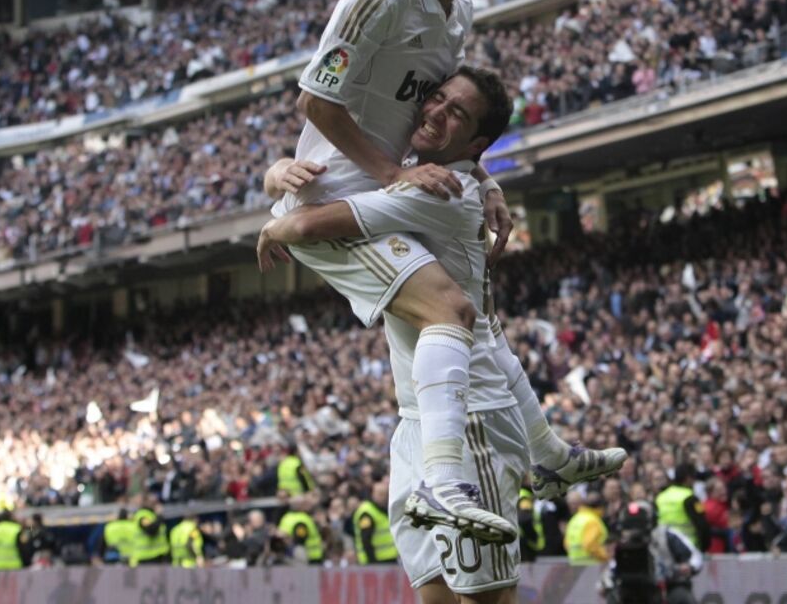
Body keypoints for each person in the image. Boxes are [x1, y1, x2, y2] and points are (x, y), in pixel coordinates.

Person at [269, 0, 622, 544]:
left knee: (474, 317)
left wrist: (485, 180)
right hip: (340, 200)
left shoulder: (458, 17)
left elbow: (438, 119)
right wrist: (388, 175)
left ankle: (542, 456)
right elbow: (315, 100)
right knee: (450, 309)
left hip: (389, 199)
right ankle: (445, 479)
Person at [260, 68, 626, 602]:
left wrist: (273, 223)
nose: (435, 112)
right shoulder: (421, 173)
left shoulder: (442, 191)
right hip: (420, 423)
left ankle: (533, 460)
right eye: (437, 98)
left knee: (485, 599)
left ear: (475, 144)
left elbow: (307, 226)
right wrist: (278, 173)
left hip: (472, 419)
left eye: (457, 113)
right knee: (434, 593)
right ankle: (549, 457)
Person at [654, 464, 709, 551]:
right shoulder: (690, 497)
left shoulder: (661, 497)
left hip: (666, 547)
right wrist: (704, 547)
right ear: (688, 478)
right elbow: (702, 524)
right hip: (689, 547)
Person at [352, 477, 397, 565]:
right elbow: (366, 540)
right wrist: (372, 562)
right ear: (372, 494)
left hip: (388, 558)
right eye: (380, 494)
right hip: (375, 561)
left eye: (385, 494)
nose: (383, 497)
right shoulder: (367, 512)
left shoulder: (383, 509)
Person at [566, 490, 609, 566]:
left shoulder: (575, 518)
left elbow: (566, 543)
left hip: (574, 563)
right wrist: (604, 557)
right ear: (601, 507)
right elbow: (590, 545)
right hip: (590, 565)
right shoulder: (593, 521)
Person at [129, 498, 171, 566]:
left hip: (158, 556)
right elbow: (151, 530)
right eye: (154, 502)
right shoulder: (143, 515)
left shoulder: (151, 515)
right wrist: (159, 516)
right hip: (148, 558)